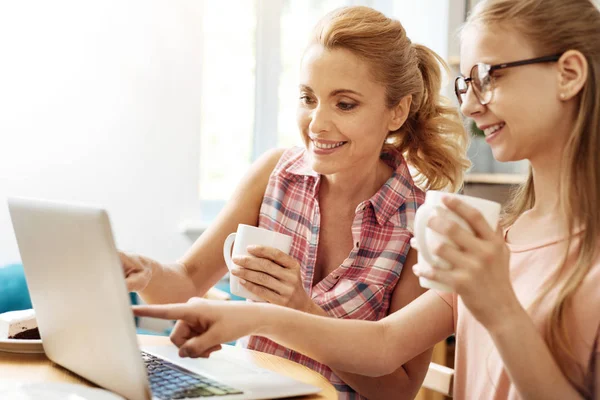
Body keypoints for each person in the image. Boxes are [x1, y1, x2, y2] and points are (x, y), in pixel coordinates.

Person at [133, 0, 600, 398]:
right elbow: (381, 345)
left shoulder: (456, 232)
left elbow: (393, 380)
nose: (472, 107)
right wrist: (243, 316)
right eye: (467, 84)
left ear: (569, 74)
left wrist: (496, 305)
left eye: (488, 76)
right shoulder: (501, 236)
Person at [121, 5, 469, 399]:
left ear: (397, 111)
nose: (317, 123)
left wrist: (299, 308)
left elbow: (398, 390)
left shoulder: (420, 225)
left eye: (345, 104)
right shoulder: (275, 175)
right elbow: (185, 283)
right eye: (308, 98)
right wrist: (144, 273)